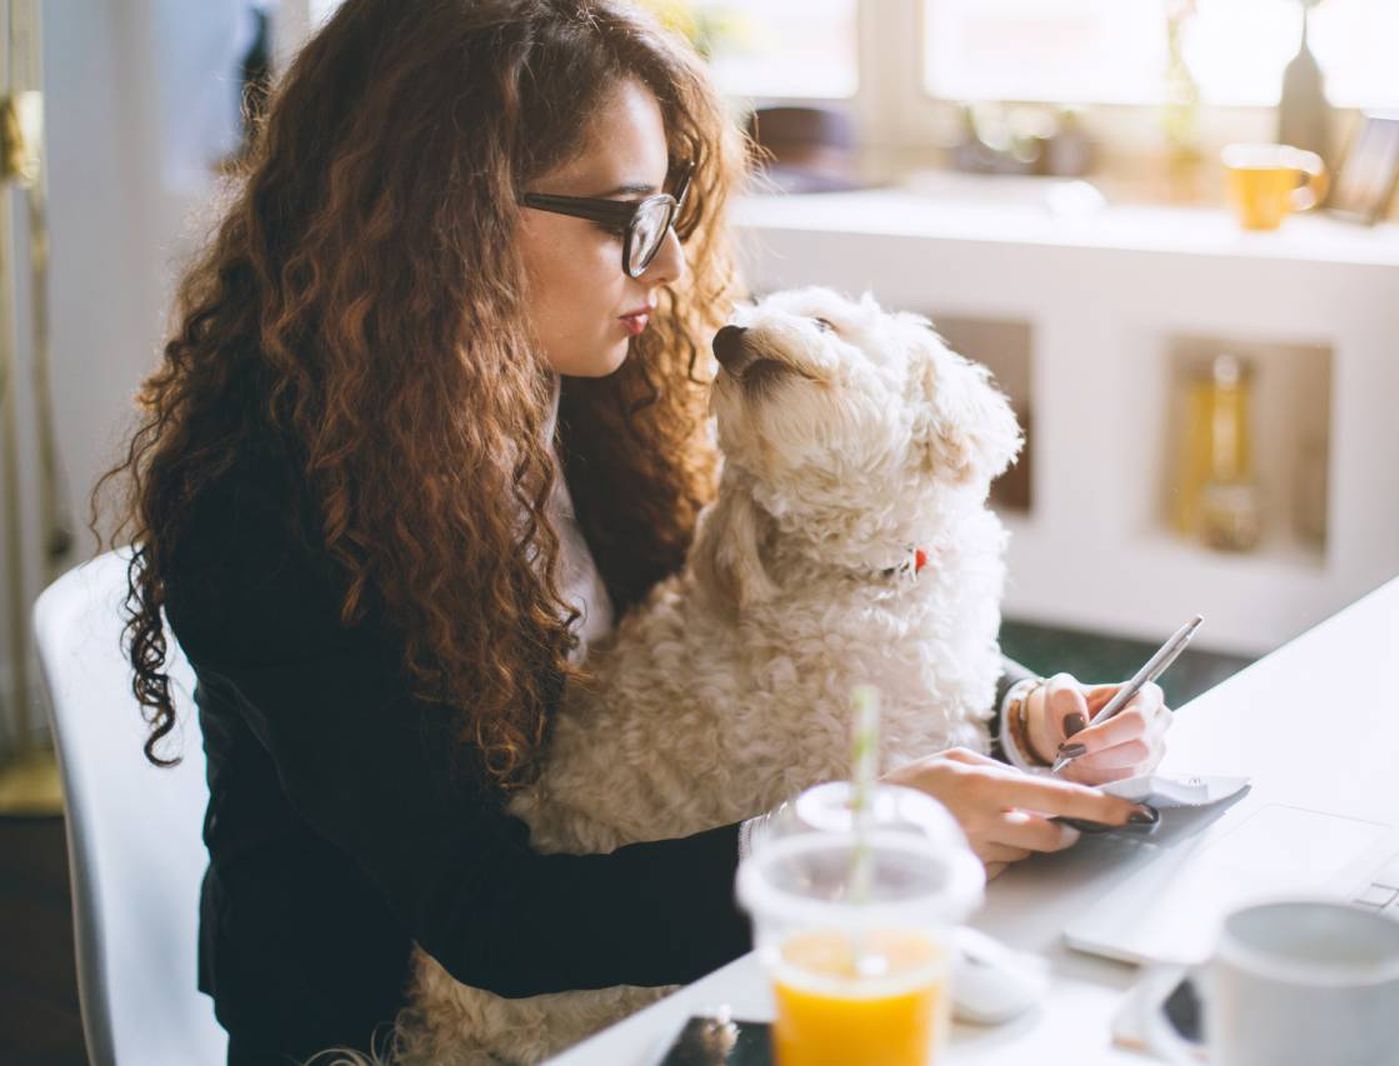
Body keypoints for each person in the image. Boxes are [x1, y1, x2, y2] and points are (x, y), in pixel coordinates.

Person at [95, 2, 1171, 1062]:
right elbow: (488, 915)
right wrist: (846, 841)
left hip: (639, 979)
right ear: (444, 216)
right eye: (624, 220)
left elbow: (796, 609)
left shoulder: (602, 381)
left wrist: (1018, 708)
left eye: (669, 213)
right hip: (382, 1028)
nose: (665, 268)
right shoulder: (267, 508)